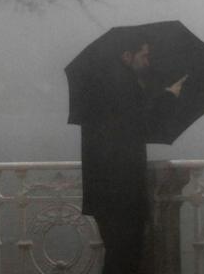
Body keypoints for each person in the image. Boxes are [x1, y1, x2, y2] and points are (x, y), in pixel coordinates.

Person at [78, 41, 187, 274]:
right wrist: (168, 96)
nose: (148, 62)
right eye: (144, 56)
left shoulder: (104, 83)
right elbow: (136, 124)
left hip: (105, 190)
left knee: (119, 255)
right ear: (127, 55)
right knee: (124, 256)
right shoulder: (121, 85)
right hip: (120, 190)